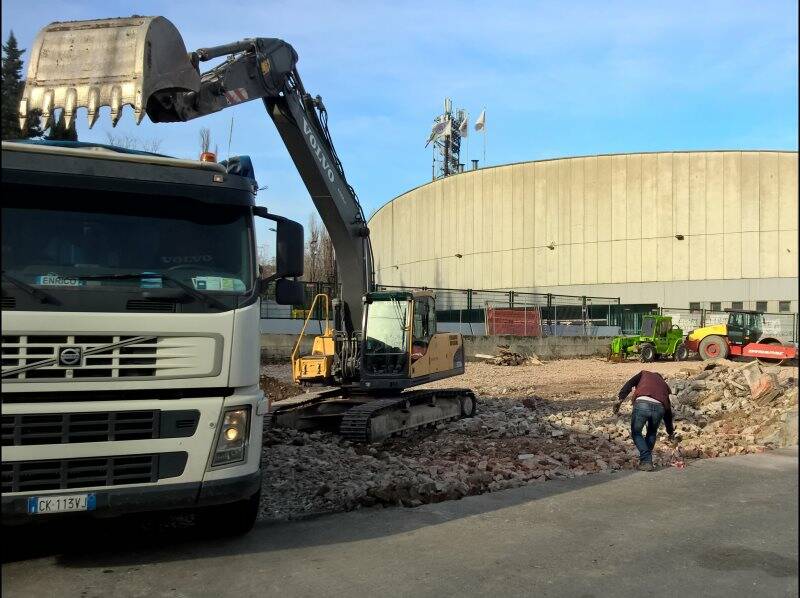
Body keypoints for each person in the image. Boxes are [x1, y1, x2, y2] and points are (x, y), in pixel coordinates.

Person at [613, 370, 677, 471]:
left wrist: (620, 399)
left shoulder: (644, 374)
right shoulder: (664, 384)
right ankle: (645, 460)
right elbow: (668, 411)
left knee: (636, 432)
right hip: (660, 407)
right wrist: (670, 432)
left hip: (642, 403)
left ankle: (646, 460)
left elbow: (629, 384)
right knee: (652, 432)